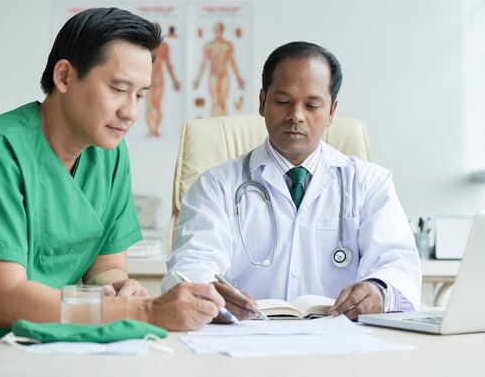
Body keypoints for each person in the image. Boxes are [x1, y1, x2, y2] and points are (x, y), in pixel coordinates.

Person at [0, 7, 224, 374]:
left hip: (56, 345)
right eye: (119, 89)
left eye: (140, 95)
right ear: (64, 76)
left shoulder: (110, 153)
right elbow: (4, 301)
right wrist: (143, 310)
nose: (131, 111)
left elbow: (105, 265)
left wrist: (119, 288)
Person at [165, 41, 421, 322]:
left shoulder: (370, 183)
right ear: (262, 102)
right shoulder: (216, 185)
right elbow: (191, 262)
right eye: (283, 102)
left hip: (340, 345)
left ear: (332, 112)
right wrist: (209, 293)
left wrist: (379, 290)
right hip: (246, 339)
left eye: (312, 105)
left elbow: (399, 263)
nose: (296, 116)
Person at [193, 22, 245, 116]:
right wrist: (198, 79)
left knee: (223, 102)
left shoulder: (228, 45)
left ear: (223, 30)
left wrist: (239, 79)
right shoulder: (209, 45)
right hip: (213, 75)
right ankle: (213, 128)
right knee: (214, 102)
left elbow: (232, 63)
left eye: (220, 30)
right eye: (217, 30)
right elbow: (203, 64)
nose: (218, 32)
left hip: (224, 75)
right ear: (214, 31)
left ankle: (223, 129)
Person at [145, 40, 181, 137]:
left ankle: (155, 130)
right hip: (147, 78)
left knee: (156, 105)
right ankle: (151, 130)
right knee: (149, 105)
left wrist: (174, 80)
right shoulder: (144, 44)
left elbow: (168, 64)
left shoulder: (163, 46)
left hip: (157, 79)